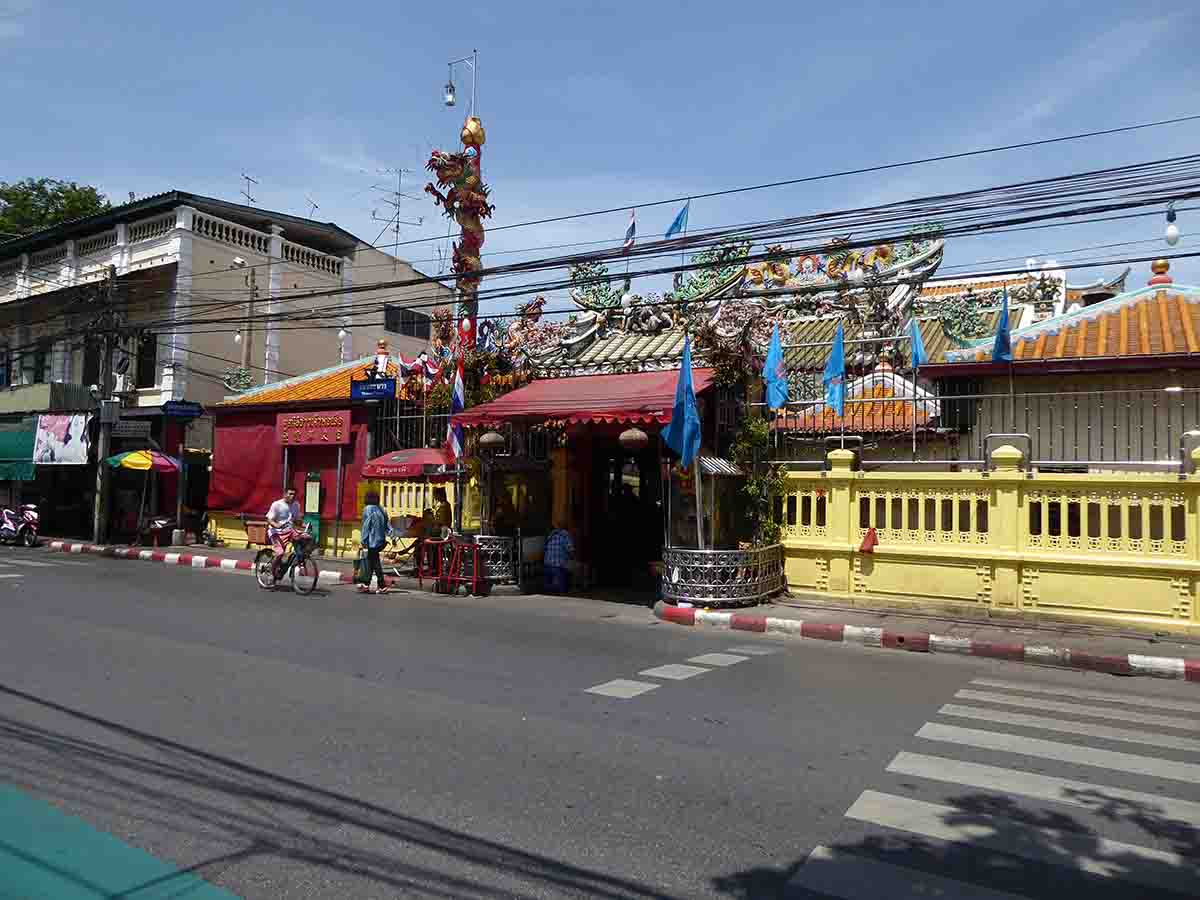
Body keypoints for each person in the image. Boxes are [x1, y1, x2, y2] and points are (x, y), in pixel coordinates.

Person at [359, 491, 390, 594]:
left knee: (375, 563)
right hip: (380, 541)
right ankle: (366, 584)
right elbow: (388, 526)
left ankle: (382, 585)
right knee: (372, 562)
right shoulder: (382, 509)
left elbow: (366, 526)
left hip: (371, 541)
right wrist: (392, 536)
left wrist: (363, 540)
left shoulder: (368, 509)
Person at [266, 487, 302, 562]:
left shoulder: (296, 505)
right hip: (277, 532)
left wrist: (302, 523)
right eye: (290, 494)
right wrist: (276, 525)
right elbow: (269, 519)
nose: (292, 496)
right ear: (285, 494)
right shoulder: (277, 504)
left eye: (294, 494)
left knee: (304, 538)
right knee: (280, 553)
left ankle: (299, 559)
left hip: (289, 530)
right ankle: (273, 570)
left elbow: (296, 520)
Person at [543, 523, 575, 594]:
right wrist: (571, 558)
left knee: (548, 586)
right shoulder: (565, 535)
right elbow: (571, 550)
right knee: (562, 585)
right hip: (559, 564)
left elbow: (545, 549)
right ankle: (562, 594)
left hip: (547, 563)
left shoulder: (550, 536)